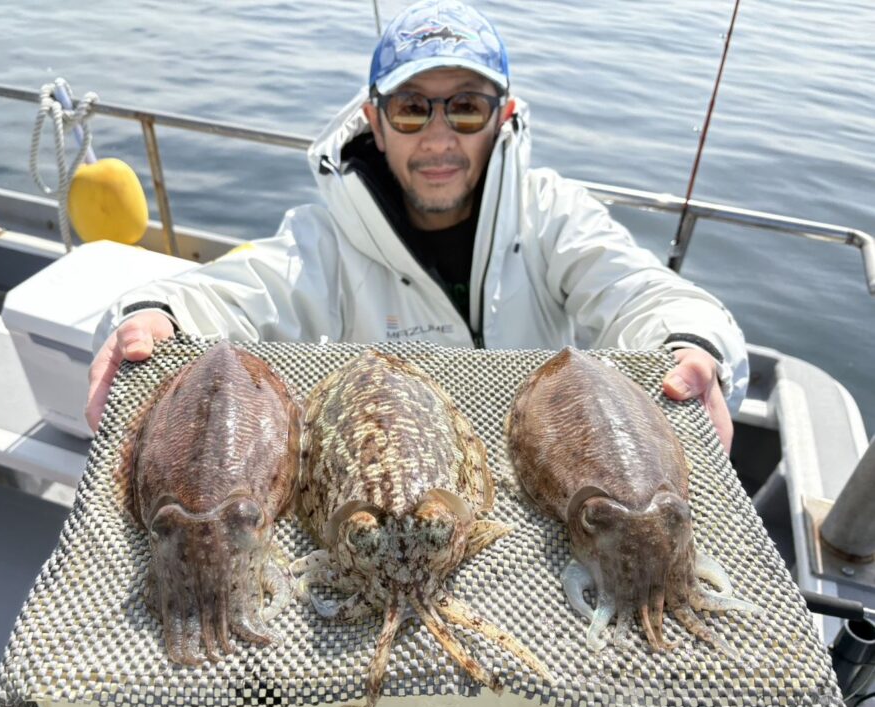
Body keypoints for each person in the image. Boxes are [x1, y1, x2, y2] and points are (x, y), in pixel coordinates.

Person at [87, 0, 748, 450]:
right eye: (411, 109)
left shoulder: (553, 214)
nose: (437, 140)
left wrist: (691, 349)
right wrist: (153, 315)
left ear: (502, 116)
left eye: (464, 108)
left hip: (547, 475)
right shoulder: (327, 238)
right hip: (388, 495)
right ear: (374, 121)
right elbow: (236, 292)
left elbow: (647, 296)